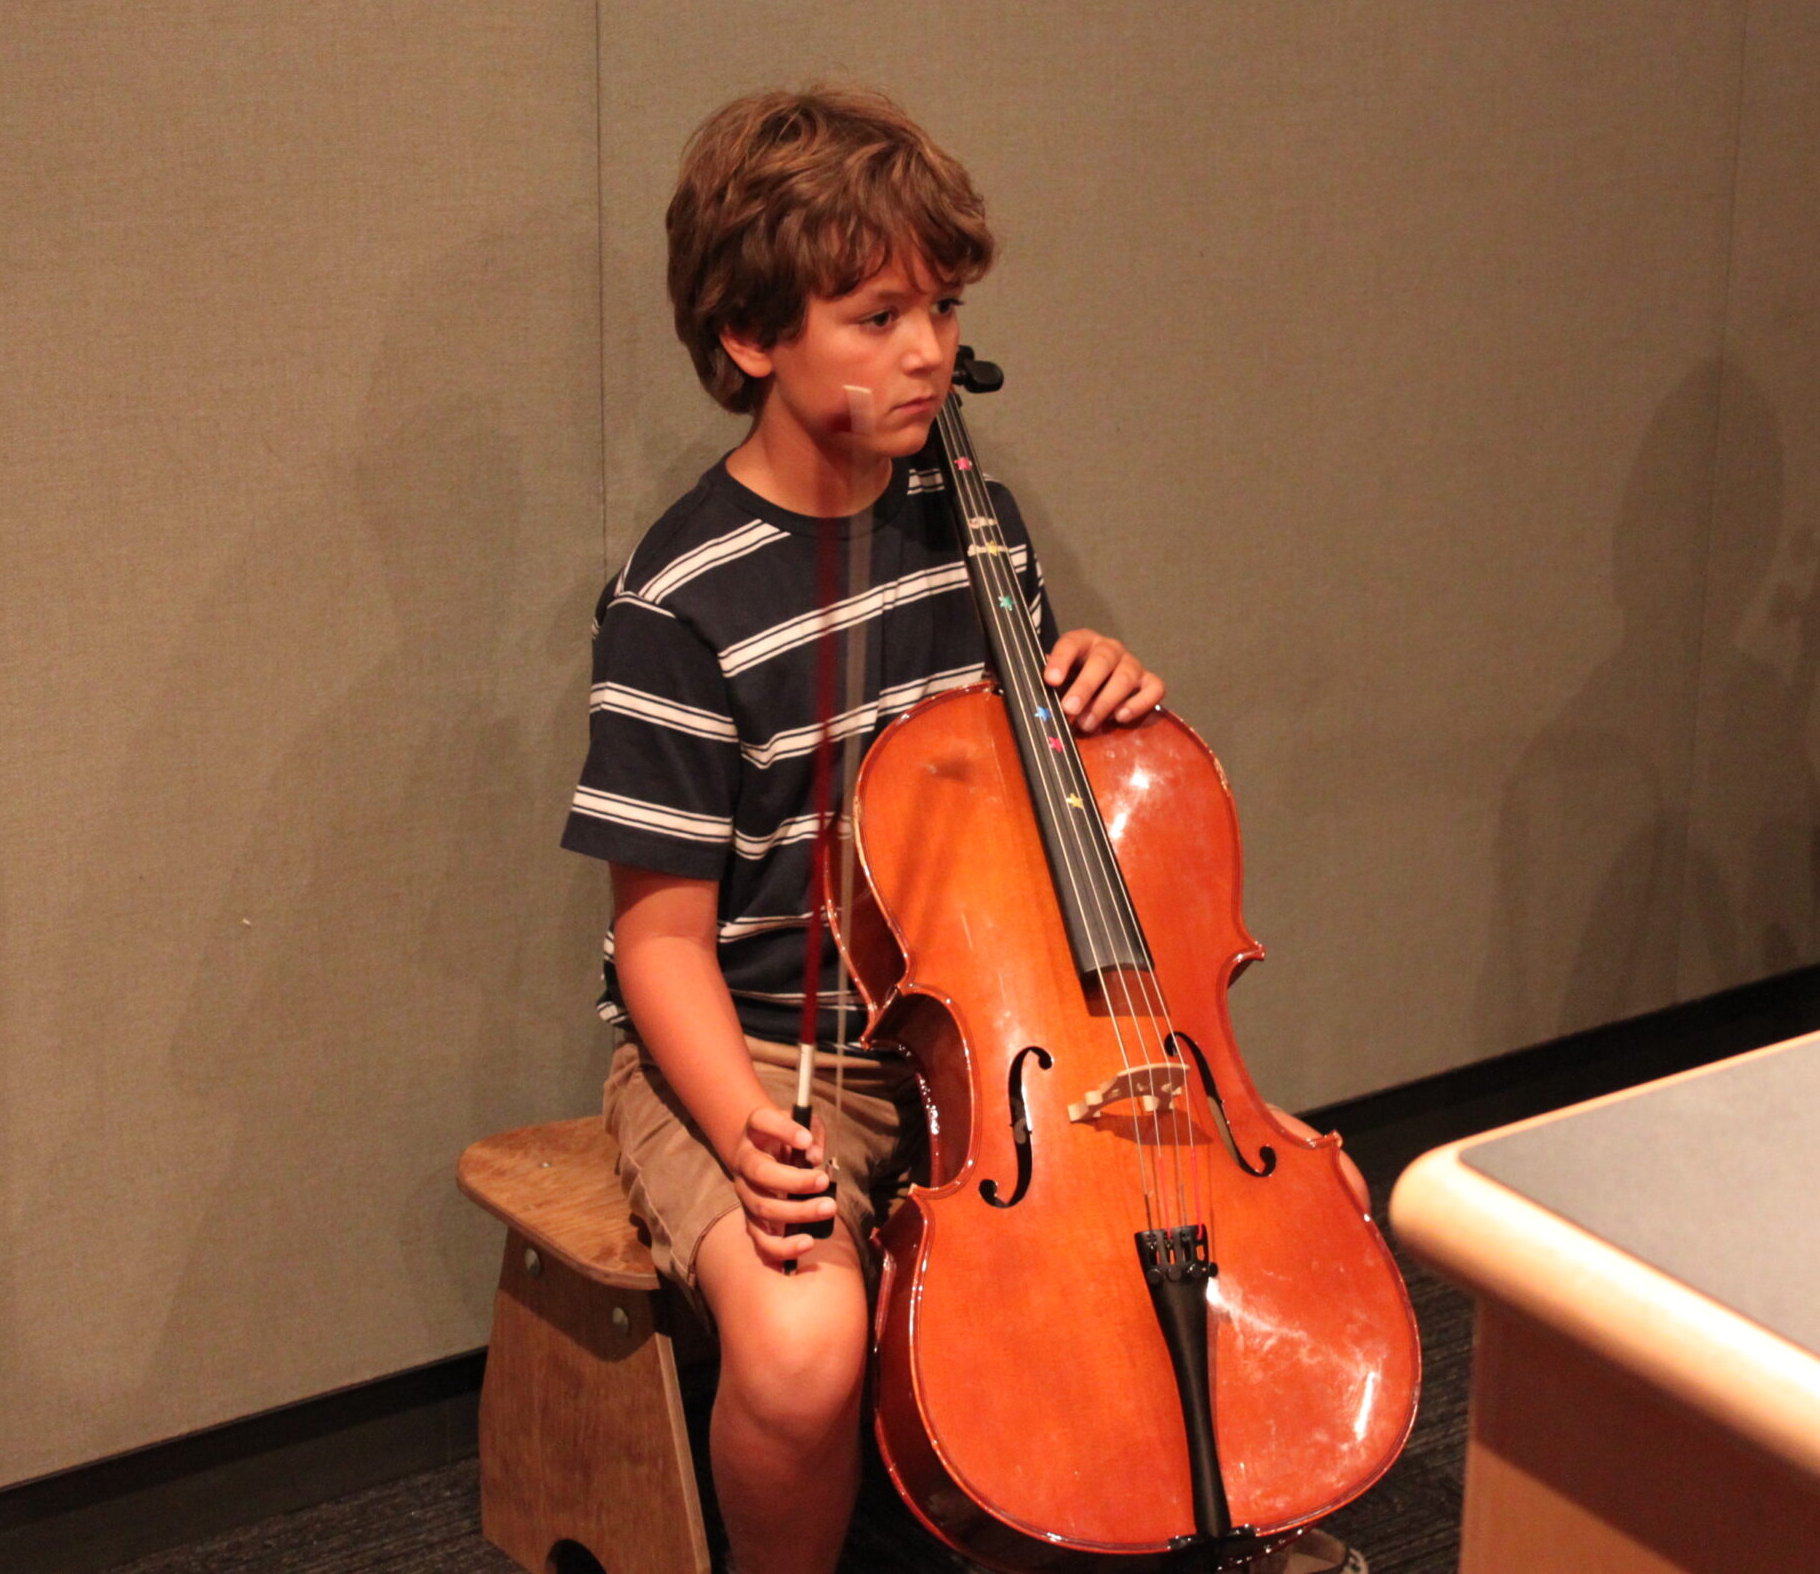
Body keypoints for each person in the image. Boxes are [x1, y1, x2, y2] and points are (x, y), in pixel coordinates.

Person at [561, 86, 1370, 1574]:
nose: (927, 349)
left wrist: (1096, 698)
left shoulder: (969, 518)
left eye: (940, 305)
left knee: (1186, 1239)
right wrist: (744, 1124)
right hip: (753, 1037)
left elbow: (1018, 787)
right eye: (874, 315)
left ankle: (1178, 1508)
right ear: (752, 337)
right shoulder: (679, 602)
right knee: (805, 1344)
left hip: (998, 1025)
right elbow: (654, 939)